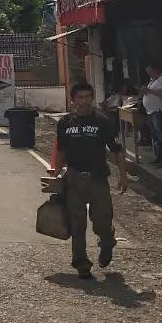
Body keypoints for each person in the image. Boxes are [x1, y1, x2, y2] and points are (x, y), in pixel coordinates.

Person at [55, 81, 129, 279]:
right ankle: (81, 263)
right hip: (74, 178)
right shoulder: (65, 123)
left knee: (102, 222)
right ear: (73, 100)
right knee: (77, 223)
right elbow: (60, 151)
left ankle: (107, 241)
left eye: (88, 97)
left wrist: (123, 176)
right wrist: (55, 174)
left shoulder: (103, 122)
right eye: (80, 97)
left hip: (98, 179)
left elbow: (118, 151)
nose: (85, 101)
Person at [142, 63, 162, 167]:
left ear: (156, 70)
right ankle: (158, 157)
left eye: (150, 71)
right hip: (151, 112)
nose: (149, 73)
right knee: (156, 137)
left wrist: (149, 91)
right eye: (147, 72)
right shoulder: (152, 80)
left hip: (159, 112)